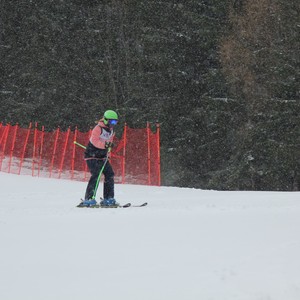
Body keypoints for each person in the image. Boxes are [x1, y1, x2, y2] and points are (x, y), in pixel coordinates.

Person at [80, 110, 118, 207]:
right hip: (92, 155)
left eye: (115, 122)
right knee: (96, 174)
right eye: (111, 122)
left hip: (102, 156)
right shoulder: (98, 128)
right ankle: (89, 198)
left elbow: (109, 144)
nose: (113, 124)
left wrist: (108, 152)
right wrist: (105, 145)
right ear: (105, 120)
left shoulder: (111, 131)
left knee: (110, 174)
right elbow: (94, 141)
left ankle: (108, 198)